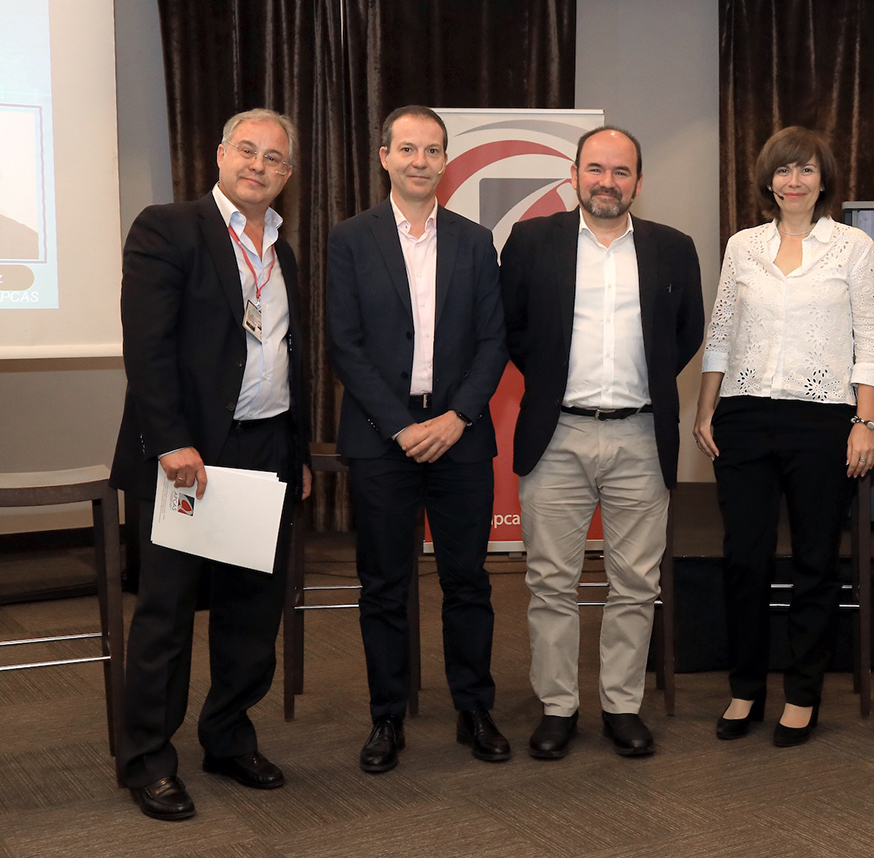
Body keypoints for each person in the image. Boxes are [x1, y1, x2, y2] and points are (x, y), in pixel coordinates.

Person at [110, 108, 312, 820]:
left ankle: (227, 736)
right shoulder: (168, 227)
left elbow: (287, 355)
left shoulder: (284, 247)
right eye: (247, 151)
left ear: (287, 175)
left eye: (274, 159)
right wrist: (170, 440)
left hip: (266, 448)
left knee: (251, 612)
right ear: (220, 153)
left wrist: (299, 447)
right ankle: (145, 760)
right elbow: (149, 346)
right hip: (189, 456)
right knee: (166, 614)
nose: (258, 166)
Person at [500, 126, 703, 759]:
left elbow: (687, 330)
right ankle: (557, 706)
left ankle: (621, 705)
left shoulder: (674, 248)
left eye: (620, 172)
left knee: (635, 583)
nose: (606, 182)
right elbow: (513, 328)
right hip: (556, 432)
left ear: (638, 182)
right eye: (595, 169)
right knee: (550, 582)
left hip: (642, 434)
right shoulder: (533, 241)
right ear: (574, 174)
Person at [327, 105, 510, 774]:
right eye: (407, 149)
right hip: (383, 439)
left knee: (468, 582)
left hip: (460, 433)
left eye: (432, 150)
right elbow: (344, 344)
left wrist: (458, 417)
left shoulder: (473, 239)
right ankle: (386, 718)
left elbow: (495, 341)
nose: (420, 160)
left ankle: (474, 709)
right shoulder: (350, 238)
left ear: (445, 160)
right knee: (384, 585)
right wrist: (403, 426)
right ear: (385, 157)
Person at [695, 127, 874, 747]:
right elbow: (720, 334)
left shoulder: (853, 247)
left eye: (806, 170)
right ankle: (745, 688)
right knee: (744, 560)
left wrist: (865, 421)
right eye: (783, 171)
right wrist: (704, 412)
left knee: (814, 561)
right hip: (743, 417)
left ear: (823, 180)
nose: (794, 181)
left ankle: (803, 693)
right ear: (768, 181)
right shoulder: (741, 247)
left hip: (823, 420)